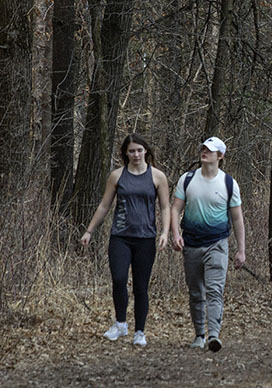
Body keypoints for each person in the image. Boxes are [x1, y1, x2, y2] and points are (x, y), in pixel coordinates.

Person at [80, 134, 170, 347]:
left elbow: (165, 207)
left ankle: (140, 331)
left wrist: (165, 232)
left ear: (146, 151)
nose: (136, 154)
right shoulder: (117, 176)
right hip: (120, 236)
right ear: (125, 153)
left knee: (141, 286)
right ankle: (121, 324)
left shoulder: (157, 177)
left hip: (146, 238)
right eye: (131, 151)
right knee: (119, 279)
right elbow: (104, 205)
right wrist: (89, 231)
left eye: (139, 150)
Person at [170, 137, 246, 352]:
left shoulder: (229, 183)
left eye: (210, 150)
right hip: (191, 244)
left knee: (214, 289)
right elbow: (175, 209)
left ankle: (213, 335)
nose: (204, 152)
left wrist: (241, 250)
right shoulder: (187, 179)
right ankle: (199, 335)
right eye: (203, 148)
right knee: (196, 292)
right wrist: (176, 234)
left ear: (220, 156)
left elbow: (238, 218)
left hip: (217, 243)